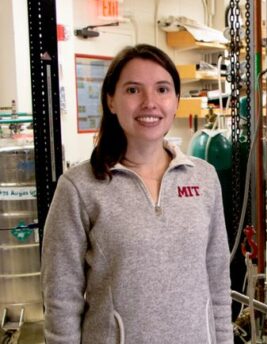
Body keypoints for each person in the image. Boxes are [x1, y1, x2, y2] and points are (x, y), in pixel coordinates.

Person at [41, 44, 233, 344]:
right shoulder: (79, 187)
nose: (150, 102)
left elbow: (218, 282)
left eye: (162, 89)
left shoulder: (204, 178)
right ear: (111, 100)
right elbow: (61, 300)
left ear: (176, 100)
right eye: (133, 90)